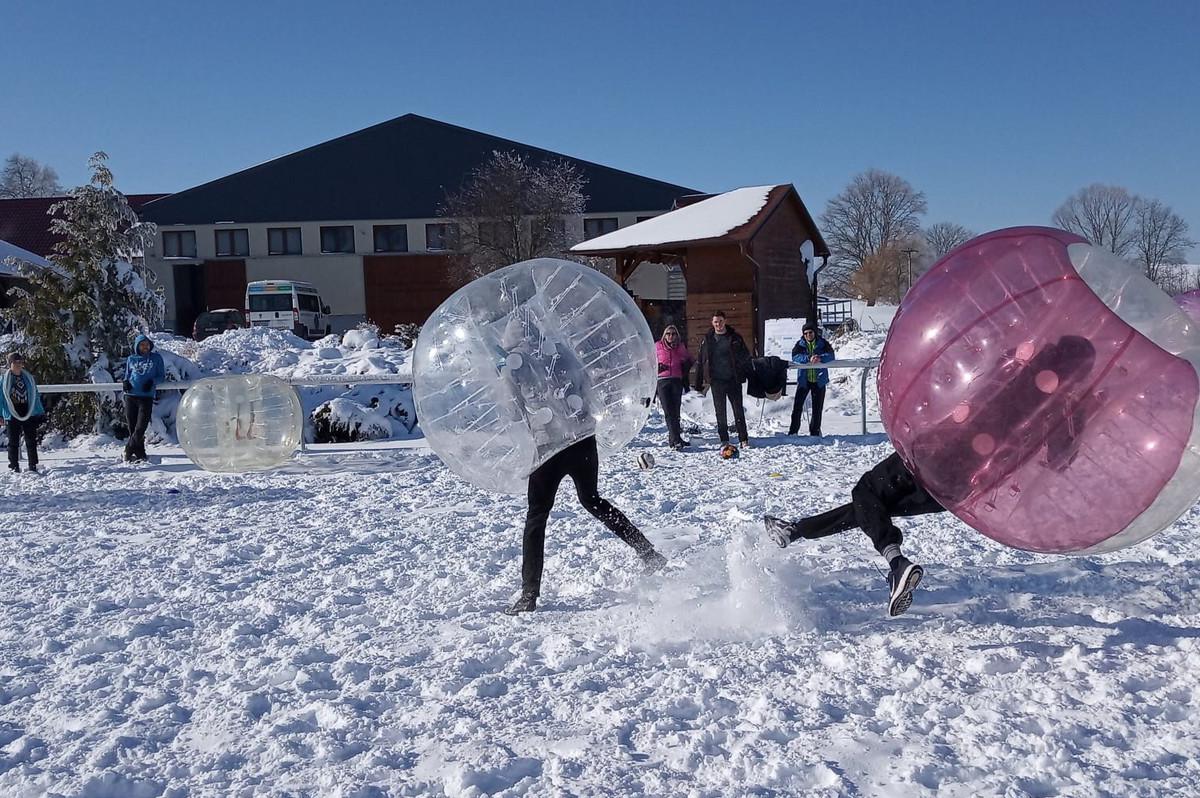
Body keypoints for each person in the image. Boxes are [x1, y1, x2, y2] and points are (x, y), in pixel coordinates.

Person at [764, 334, 1100, 617]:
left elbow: (971, 381)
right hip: (966, 485)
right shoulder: (1065, 408)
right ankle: (796, 531)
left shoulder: (1020, 365)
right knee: (872, 507)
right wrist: (1087, 412)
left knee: (866, 490)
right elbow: (1058, 460)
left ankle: (895, 564)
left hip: (940, 452)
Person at [500, 314, 667, 615]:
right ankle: (649, 554)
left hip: (548, 448)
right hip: (581, 439)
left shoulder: (514, 365)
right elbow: (587, 387)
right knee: (592, 500)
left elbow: (512, 412)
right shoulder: (560, 351)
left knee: (537, 516)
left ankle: (529, 594)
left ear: (511, 336)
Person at [693, 311, 752, 449]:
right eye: (715, 322)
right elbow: (701, 361)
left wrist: (747, 373)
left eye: (720, 321)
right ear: (712, 323)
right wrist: (698, 383)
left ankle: (743, 438)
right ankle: (724, 439)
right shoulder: (707, 339)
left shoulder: (735, 337)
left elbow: (745, 356)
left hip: (733, 379)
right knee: (720, 412)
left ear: (725, 321)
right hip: (717, 381)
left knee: (738, 410)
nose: (718, 324)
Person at [0, 352, 45, 473]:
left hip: (27, 410)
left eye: (20, 362)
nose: (19, 365)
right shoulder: (4, 380)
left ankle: (33, 464)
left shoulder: (28, 378)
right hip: (11, 411)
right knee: (13, 441)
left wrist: (39, 411)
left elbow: (35, 395)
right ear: (10, 364)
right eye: (15, 362)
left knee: (31, 439)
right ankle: (13, 465)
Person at [123, 334, 165, 463]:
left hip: (146, 397)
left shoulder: (156, 358)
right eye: (142, 344)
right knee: (132, 426)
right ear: (137, 346)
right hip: (130, 396)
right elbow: (127, 375)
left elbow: (161, 376)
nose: (145, 347)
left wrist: (152, 382)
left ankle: (128, 449)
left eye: (147, 344)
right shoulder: (131, 359)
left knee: (141, 427)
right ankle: (140, 452)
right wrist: (126, 382)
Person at [788, 323, 835, 437]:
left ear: (814, 333)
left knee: (817, 409)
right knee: (797, 408)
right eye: (806, 333)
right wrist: (808, 358)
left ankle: (814, 432)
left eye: (810, 332)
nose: (808, 335)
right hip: (804, 380)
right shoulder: (800, 344)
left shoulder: (823, 343)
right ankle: (793, 432)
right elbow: (795, 357)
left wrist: (820, 358)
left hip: (819, 381)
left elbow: (831, 355)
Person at [655, 324, 693, 450]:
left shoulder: (680, 347)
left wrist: (685, 365)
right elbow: (648, 362)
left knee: (676, 412)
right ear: (664, 335)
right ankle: (675, 439)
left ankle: (675, 439)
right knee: (668, 411)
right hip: (663, 381)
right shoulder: (657, 346)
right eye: (668, 334)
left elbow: (689, 359)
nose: (671, 336)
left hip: (676, 380)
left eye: (673, 334)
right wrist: (657, 368)